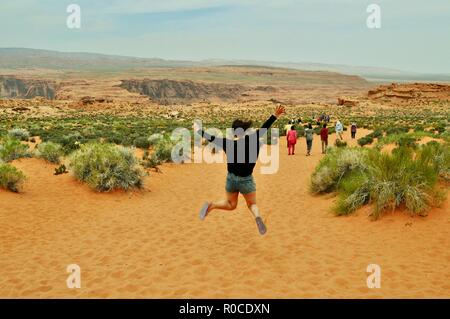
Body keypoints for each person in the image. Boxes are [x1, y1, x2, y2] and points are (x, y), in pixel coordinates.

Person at [196, 105, 286, 235]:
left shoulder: (227, 143)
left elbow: (211, 138)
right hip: (246, 180)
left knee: (231, 204)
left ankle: (212, 205)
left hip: (231, 179)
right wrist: (275, 115)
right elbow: (265, 127)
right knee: (251, 205)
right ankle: (257, 216)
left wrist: (199, 131)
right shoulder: (253, 139)